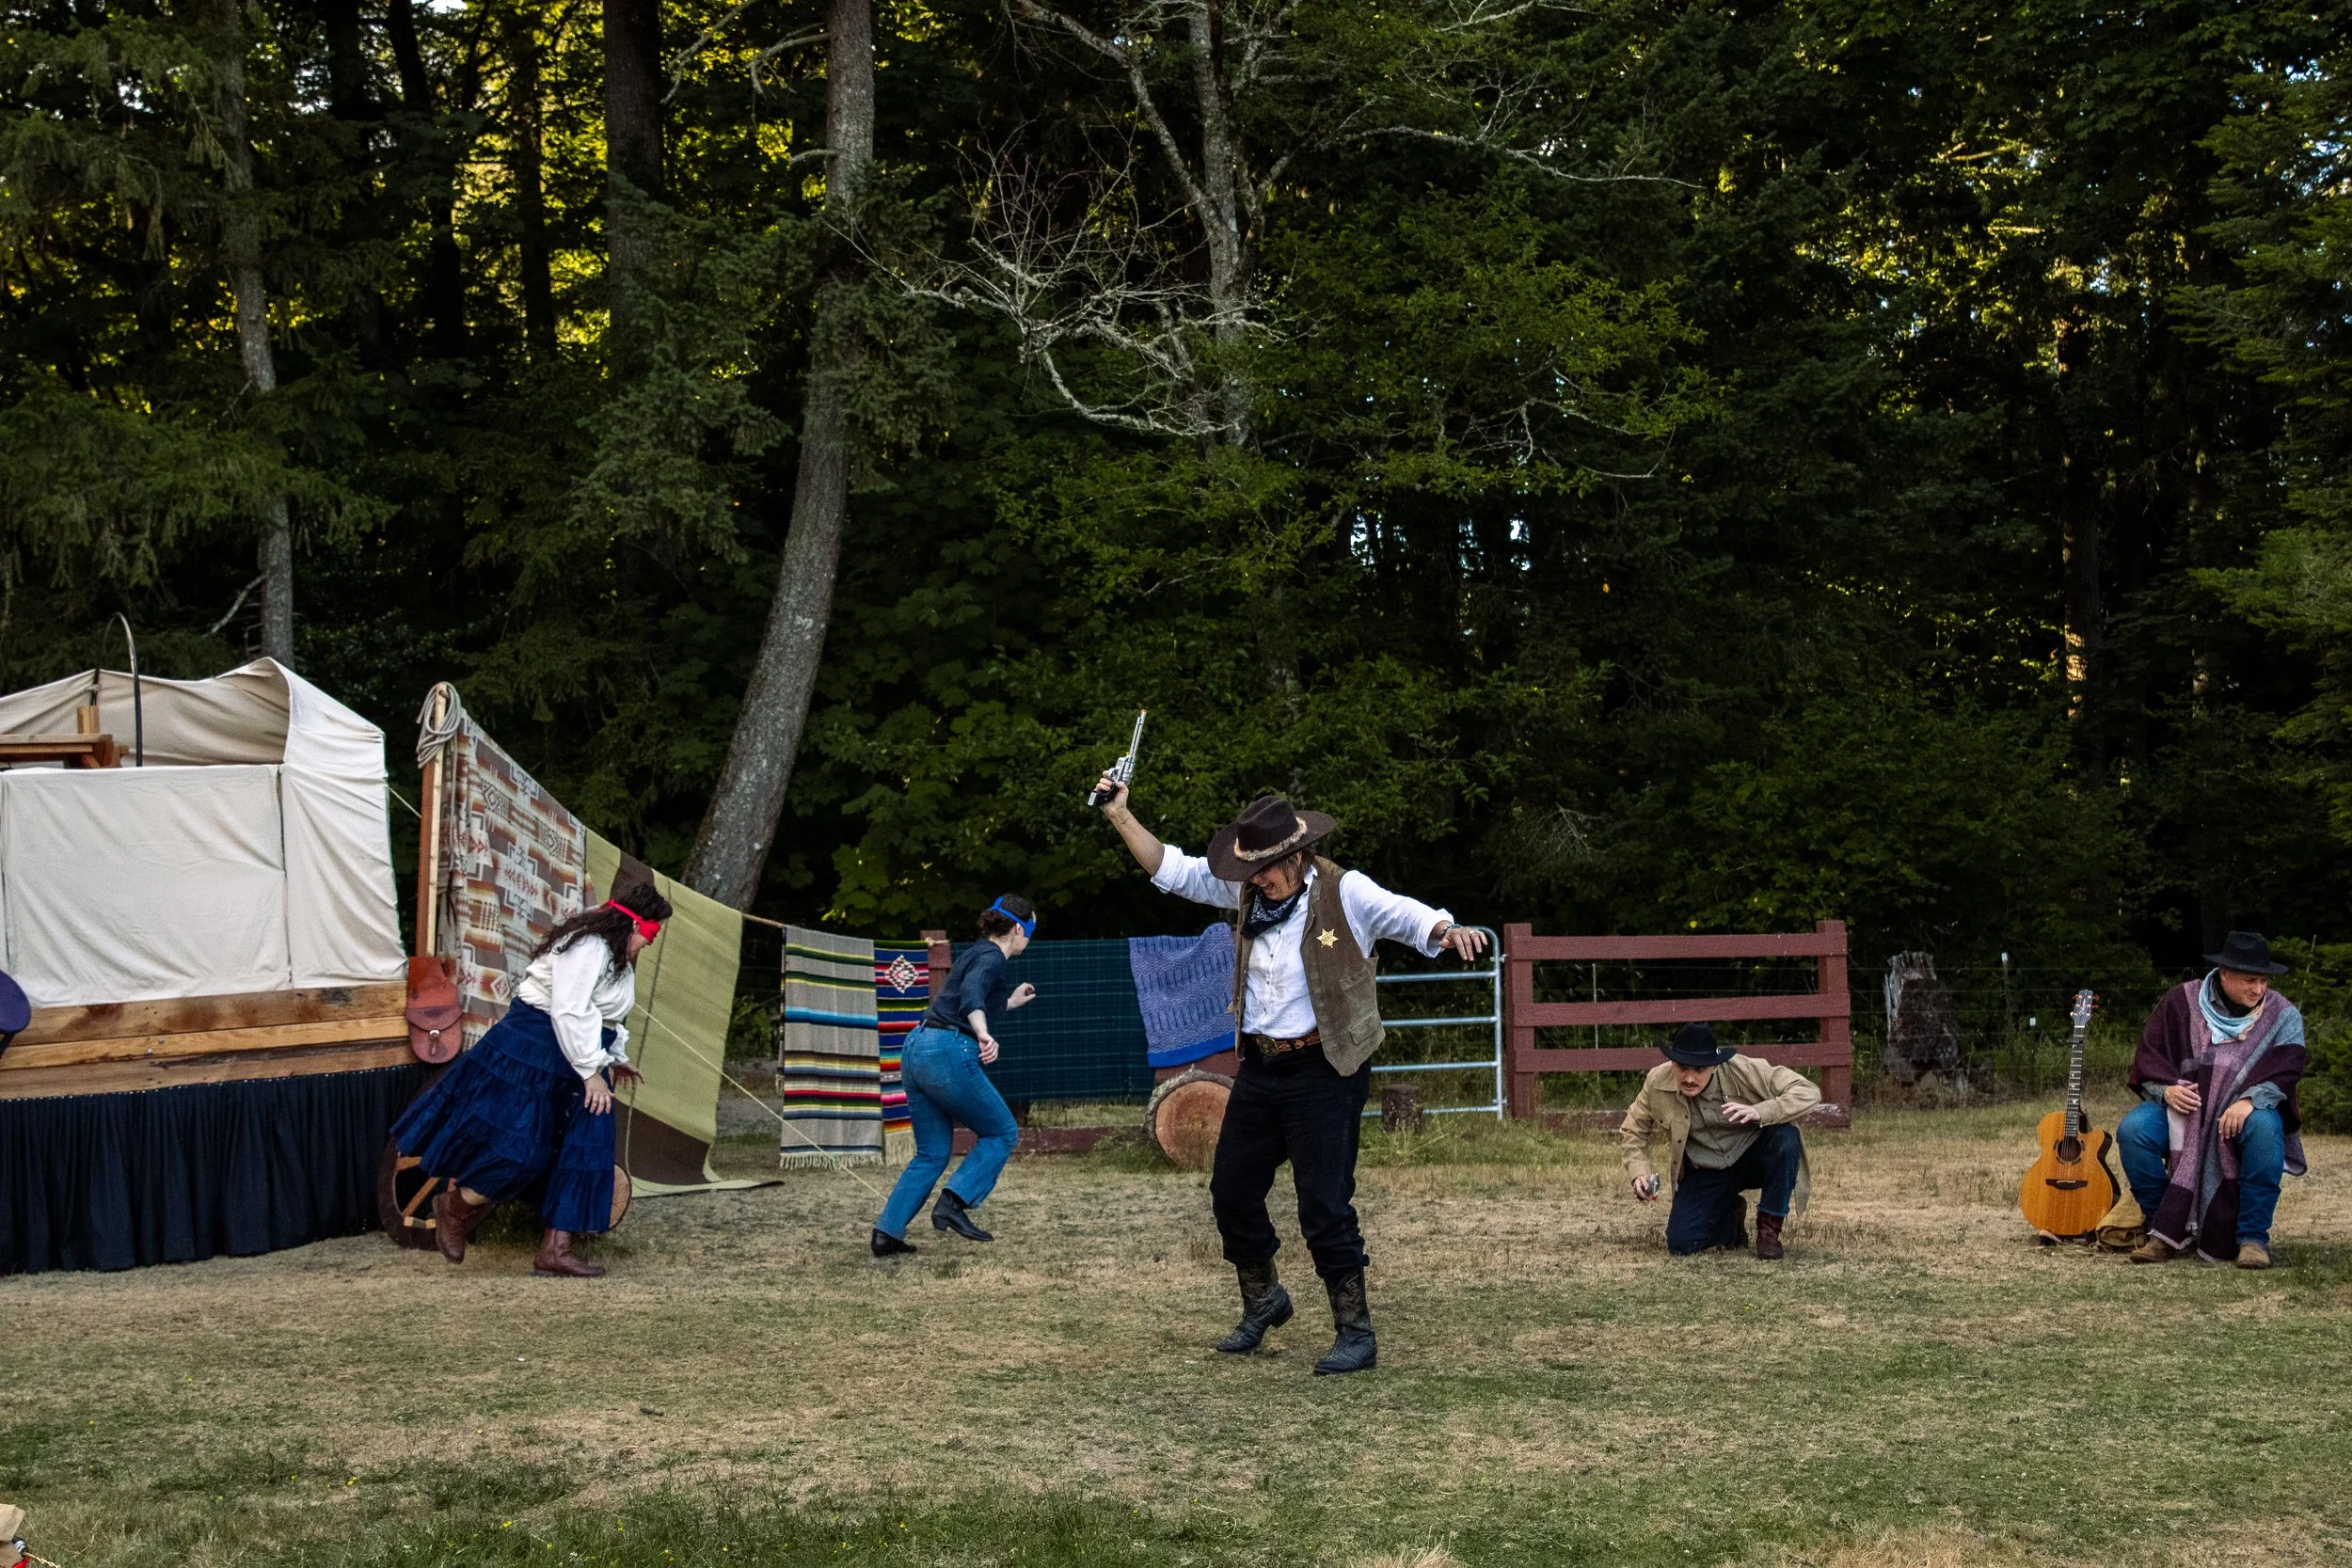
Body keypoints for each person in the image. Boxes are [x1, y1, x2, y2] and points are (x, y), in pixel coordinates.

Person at [1098, 780, 1487, 1376]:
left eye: (1268, 868)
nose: (1259, 879)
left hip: (1325, 1068)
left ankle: (1355, 1332)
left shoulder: (1344, 890)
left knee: (1323, 1204)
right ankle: (1264, 1299)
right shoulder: (1244, 892)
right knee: (1231, 1190)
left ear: (1296, 854)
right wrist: (1120, 816)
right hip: (1259, 1066)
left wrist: (1446, 930)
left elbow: (1405, 916)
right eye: (1251, 870)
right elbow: (1171, 868)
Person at [391, 881, 673, 1278]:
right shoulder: (589, 946)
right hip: (534, 1047)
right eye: (650, 933)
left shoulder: (616, 959)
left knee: (587, 1146)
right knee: (519, 1148)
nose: (649, 943)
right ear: (631, 925)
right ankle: (455, 1206)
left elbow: (605, 1015)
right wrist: (591, 1069)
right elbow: (569, 1011)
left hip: (580, 1055)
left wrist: (613, 1058)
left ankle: (556, 1250)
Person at [2119, 931, 2308, 1269]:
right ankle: (2164, 1226)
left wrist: (2250, 1100)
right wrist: (2167, 1090)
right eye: (2251, 980)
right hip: (2184, 1108)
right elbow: (2148, 1055)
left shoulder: (2283, 1015)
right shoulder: (2180, 1001)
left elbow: (2288, 1069)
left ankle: (2252, 1238)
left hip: (2245, 1111)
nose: (2259, 989)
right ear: (2225, 974)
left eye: (2264, 981)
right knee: (2134, 1130)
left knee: (2266, 1130)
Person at [870, 895, 1041, 1256]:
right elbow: (972, 995)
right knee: (1002, 1131)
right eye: (1030, 930)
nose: (1029, 938)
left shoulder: (977, 953)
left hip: (916, 1048)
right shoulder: (992, 957)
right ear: (1016, 929)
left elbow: (974, 997)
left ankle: (887, 1233)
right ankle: (953, 1202)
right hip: (947, 1050)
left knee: (932, 1152)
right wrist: (982, 1034)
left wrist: (1010, 1001)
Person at [1621, 1022, 1820, 1259]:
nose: (1690, 1078)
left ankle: (1769, 1231)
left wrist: (1761, 1111)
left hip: (1752, 1157)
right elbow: (1634, 1129)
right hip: (1705, 1170)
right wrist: (1639, 1172)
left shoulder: (1744, 1069)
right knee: (1682, 1243)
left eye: (1700, 1069)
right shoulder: (1656, 1081)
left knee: (1786, 1137)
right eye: (1683, 1067)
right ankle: (1731, 1220)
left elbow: (1808, 1091)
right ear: (1673, 1063)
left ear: (1714, 1066)